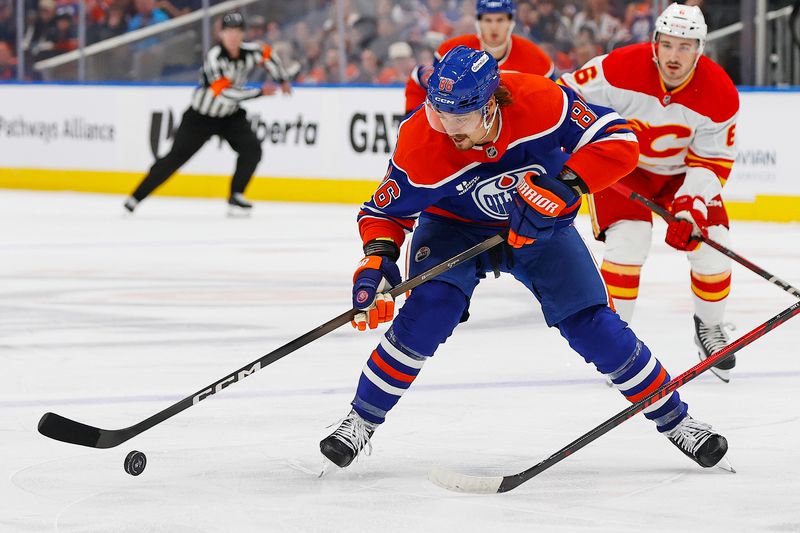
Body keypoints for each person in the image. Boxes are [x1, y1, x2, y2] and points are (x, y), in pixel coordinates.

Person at [319, 45, 729, 472]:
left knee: (596, 327)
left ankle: (678, 421)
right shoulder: (422, 138)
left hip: (541, 226)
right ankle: (359, 420)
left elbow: (620, 139)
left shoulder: (542, 100)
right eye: (439, 113)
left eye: (459, 117)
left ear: (490, 102)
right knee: (429, 310)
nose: (446, 127)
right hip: (453, 229)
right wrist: (377, 260)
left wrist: (566, 185)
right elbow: (385, 212)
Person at [559, 3, 739, 382]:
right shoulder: (617, 68)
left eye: (686, 46)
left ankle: (710, 328)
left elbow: (712, 162)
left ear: (700, 49)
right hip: (623, 168)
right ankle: (615, 345)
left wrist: (690, 209)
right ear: (655, 42)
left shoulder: (720, 93)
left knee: (712, 243)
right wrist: (569, 145)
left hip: (680, 176)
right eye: (669, 44)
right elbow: (565, 95)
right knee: (629, 242)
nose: (675, 56)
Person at [123, 12, 290, 215]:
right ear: (221, 34)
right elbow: (224, 93)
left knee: (252, 149)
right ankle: (136, 196)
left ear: (243, 34)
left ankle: (236, 195)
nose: (233, 37)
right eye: (229, 32)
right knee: (175, 158)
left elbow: (267, 54)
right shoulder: (214, 57)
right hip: (200, 117)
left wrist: (282, 78)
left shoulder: (250, 51)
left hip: (230, 116)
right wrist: (258, 93)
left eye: (237, 32)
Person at [403, 0, 554, 114]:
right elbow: (431, 91)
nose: (494, 27)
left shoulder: (538, 60)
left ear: (510, 23)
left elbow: (551, 104)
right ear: (478, 23)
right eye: (488, 20)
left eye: (500, 20)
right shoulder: (450, 51)